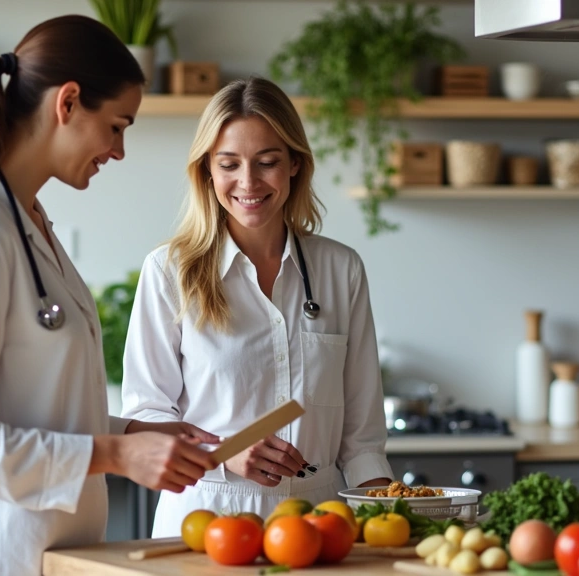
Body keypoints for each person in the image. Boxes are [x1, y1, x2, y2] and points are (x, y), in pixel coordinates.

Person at [0, 15, 216, 576]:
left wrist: (134, 432)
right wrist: (117, 455)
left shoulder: (28, 222)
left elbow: (39, 406)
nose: (119, 149)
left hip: (48, 552)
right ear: (68, 102)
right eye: (116, 125)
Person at [121, 77, 394, 537]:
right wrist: (225, 453)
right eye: (229, 164)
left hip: (318, 525)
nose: (248, 182)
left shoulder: (340, 269)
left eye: (267, 162)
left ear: (294, 165)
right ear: (207, 170)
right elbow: (146, 415)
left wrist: (393, 518)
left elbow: (362, 434)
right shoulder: (169, 271)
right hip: (205, 522)